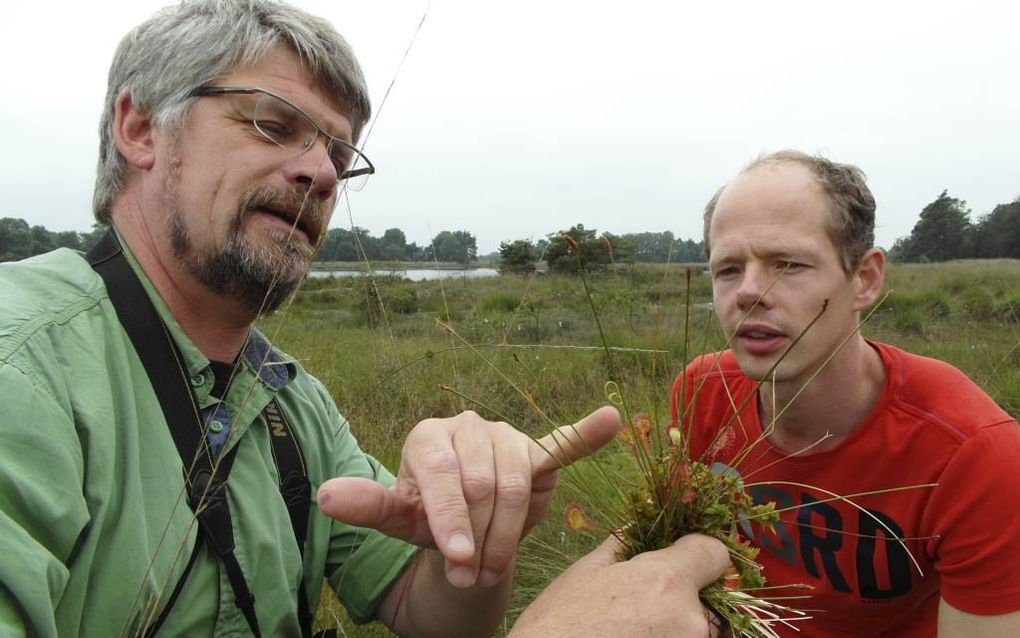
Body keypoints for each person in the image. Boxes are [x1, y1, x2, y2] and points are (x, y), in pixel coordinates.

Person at [0, 1, 726, 636]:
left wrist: (468, 548)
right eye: (273, 123)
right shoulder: (23, 364)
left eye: (339, 154)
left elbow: (421, 607)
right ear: (141, 128)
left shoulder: (291, 402)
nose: (321, 173)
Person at [670, 150, 1020, 637]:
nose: (747, 292)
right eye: (728, 269)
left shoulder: (975, 455)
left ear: (865, 279)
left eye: (787, 264)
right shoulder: (701, 392)